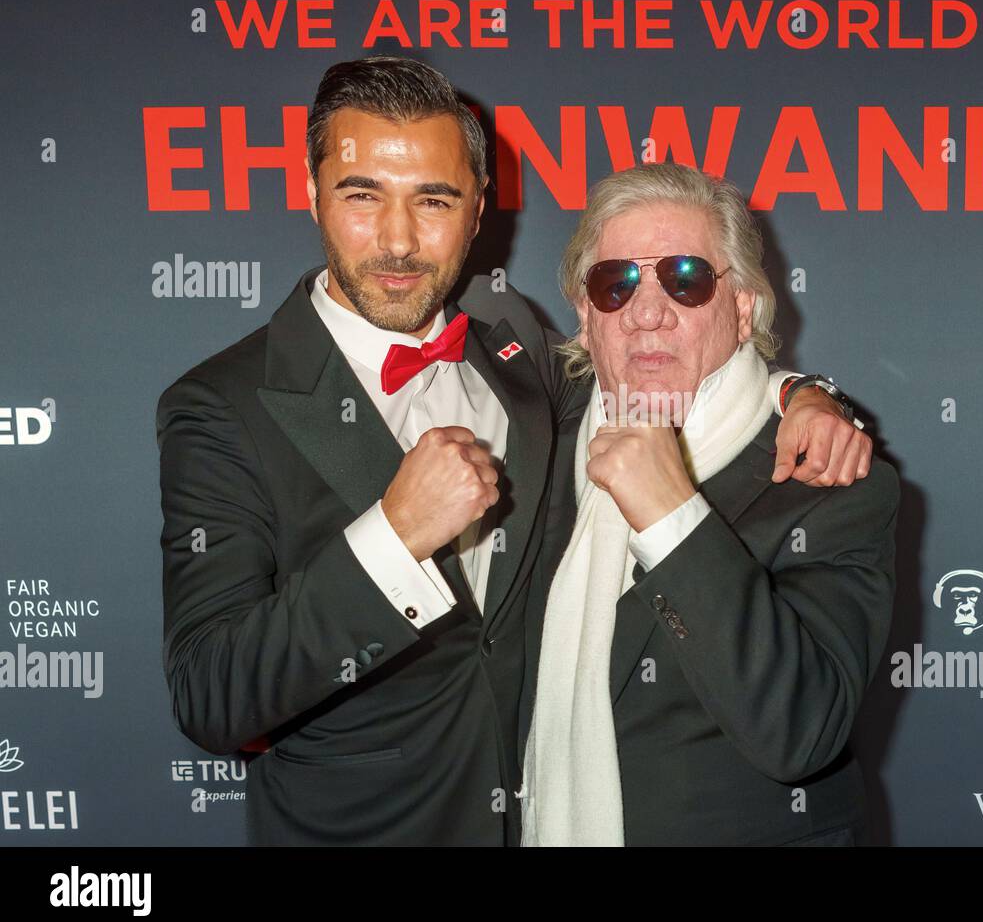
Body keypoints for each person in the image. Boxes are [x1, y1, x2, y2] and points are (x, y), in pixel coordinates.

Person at [155, 56, 874, 845]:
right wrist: (393, 538)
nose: (397, 239)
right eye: (363, 195)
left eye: (434, 199)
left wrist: (801, 394)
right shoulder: (222, 405)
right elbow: (211, 697)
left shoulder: (518, 358)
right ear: (312, 193)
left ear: (476, 211)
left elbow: (676, 370)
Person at [519, 162, 900, 846]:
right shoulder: (541, 440)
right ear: (584, 315)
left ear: (744, 307)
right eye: (616, 284)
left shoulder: (826, 476)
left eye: (686, 280)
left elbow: (802, 732)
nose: (647, 312)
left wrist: (672, 517)